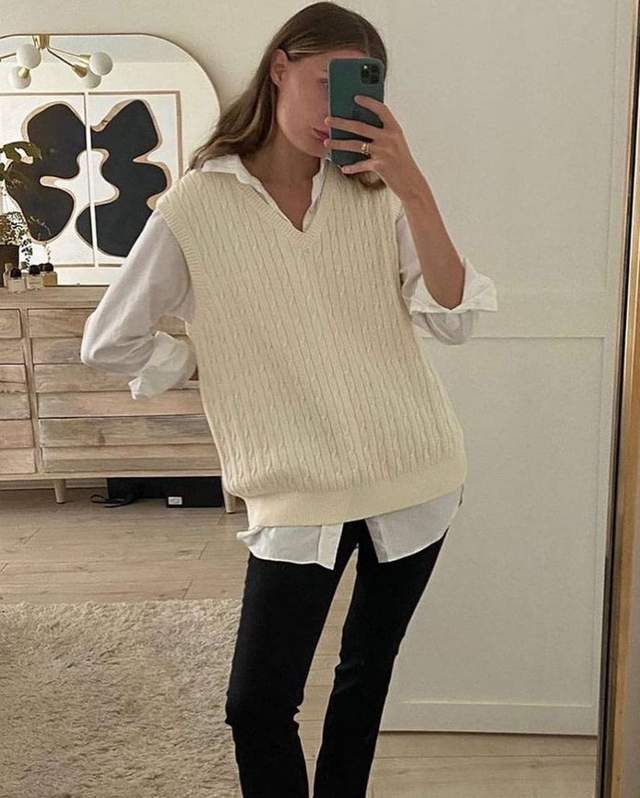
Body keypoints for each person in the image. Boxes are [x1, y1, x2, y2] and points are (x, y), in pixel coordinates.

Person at [81, 3, 497, 795]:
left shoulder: (376, 196)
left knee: (365, 676)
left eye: (359, 90)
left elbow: (452, 316)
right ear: (279, 68)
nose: (336, 108)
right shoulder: (197, 206)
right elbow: (109, 340)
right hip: (296, 486)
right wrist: (197, 359)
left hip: (417, 473)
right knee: (257, 705)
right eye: (324, 83)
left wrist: (412, 186)